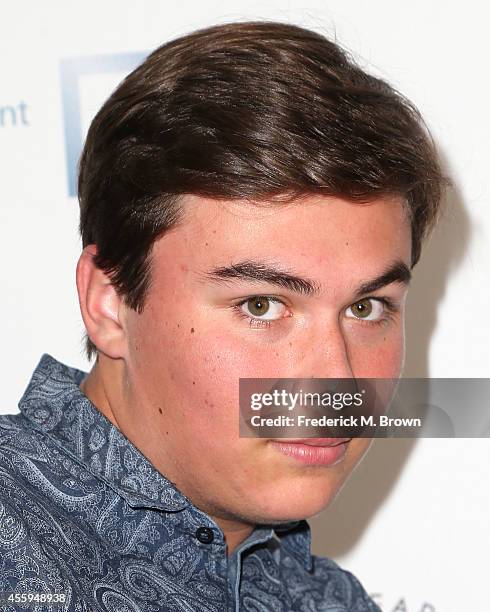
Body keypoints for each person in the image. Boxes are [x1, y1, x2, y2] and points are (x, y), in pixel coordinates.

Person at [0, 20, 443, 612]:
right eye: (262, 305)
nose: (335, 380)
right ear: (109, 303)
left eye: (367, 307)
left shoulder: (326, 600)